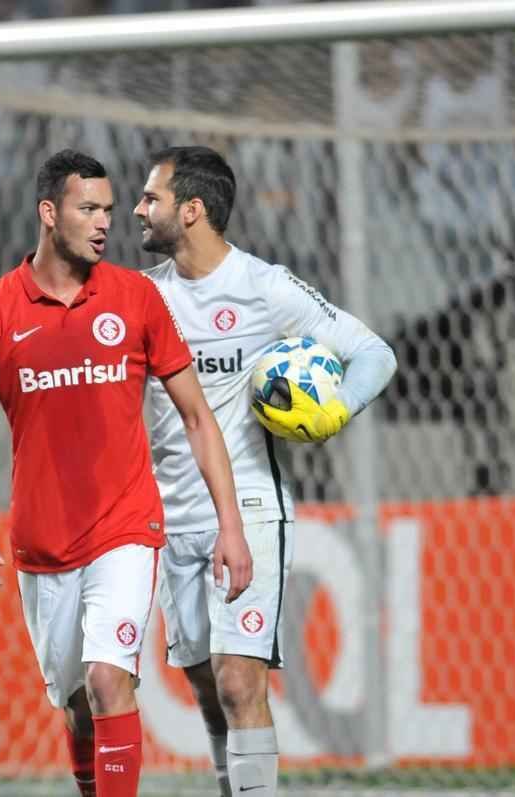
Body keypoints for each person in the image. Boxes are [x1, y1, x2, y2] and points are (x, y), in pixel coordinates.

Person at [0, 149, 251, 797]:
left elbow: (197, 417)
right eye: (88, 208)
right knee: (78, 706)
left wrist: (231, 524)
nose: (105, 221)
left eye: (108, 208)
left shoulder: (136, 298)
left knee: (110, 681)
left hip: (125, 528)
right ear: (49, 213)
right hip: (43, 543)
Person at [134, 146, 397, 796]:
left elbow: (374, 354)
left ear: (191, 209)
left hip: (249, 505)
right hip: (170, 515)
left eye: (151, 197)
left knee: (237, 679)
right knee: (203, 680)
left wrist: (335, 411)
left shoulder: (263, 286)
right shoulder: (144, 297)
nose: (138, 210)